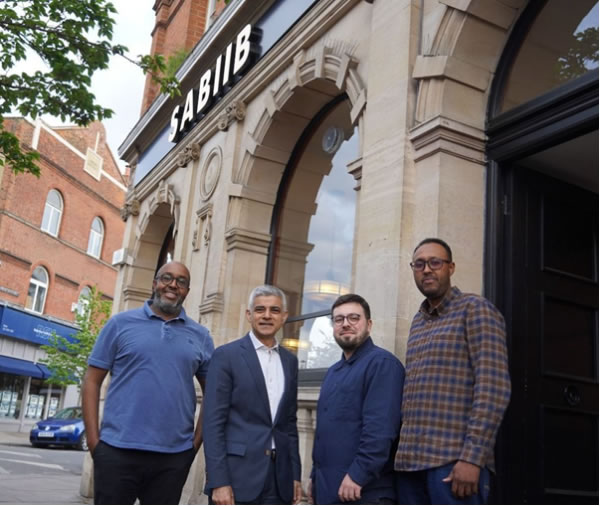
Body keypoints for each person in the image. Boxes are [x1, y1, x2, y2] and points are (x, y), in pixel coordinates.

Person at [82, 261, 214, 505]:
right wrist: (94, 443)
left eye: (181, 282)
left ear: (187, 291)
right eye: (167, 278)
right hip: (116, 451)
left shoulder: (201, 336)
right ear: (155, 283)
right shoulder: (119, 324)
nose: (173, 285)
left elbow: (214, 394)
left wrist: (193, 447)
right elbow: (91, 380)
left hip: (173, 458)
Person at [395, 238, 511, 504]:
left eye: (435, 262)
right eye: (419, 264)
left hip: (452, 463)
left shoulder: (475, 309)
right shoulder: (418, 321)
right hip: (409, 465)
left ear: (451, 267)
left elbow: (493, 388)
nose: (426, 270)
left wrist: (473, 456)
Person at [203, 285, 302, 505]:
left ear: (284, 317)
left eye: (274, 310)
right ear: (249, 315)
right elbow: (213, 423)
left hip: (279, 479)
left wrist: (295, 474)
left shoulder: (290, 361)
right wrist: (218, 481)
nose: (267, 315)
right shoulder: (225, 356)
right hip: (237, 478)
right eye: (260, 309)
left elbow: (289, 424)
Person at [308, 294, 405, 505]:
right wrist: (315, 477)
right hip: (327, 489)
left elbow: (380, 430)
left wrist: (359, 475)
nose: (346, 324)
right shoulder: (333, 371)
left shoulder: (382, 364)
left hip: (363, 491)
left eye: (354, 318)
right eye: (339, 319)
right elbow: (325, 432)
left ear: (368, 325)